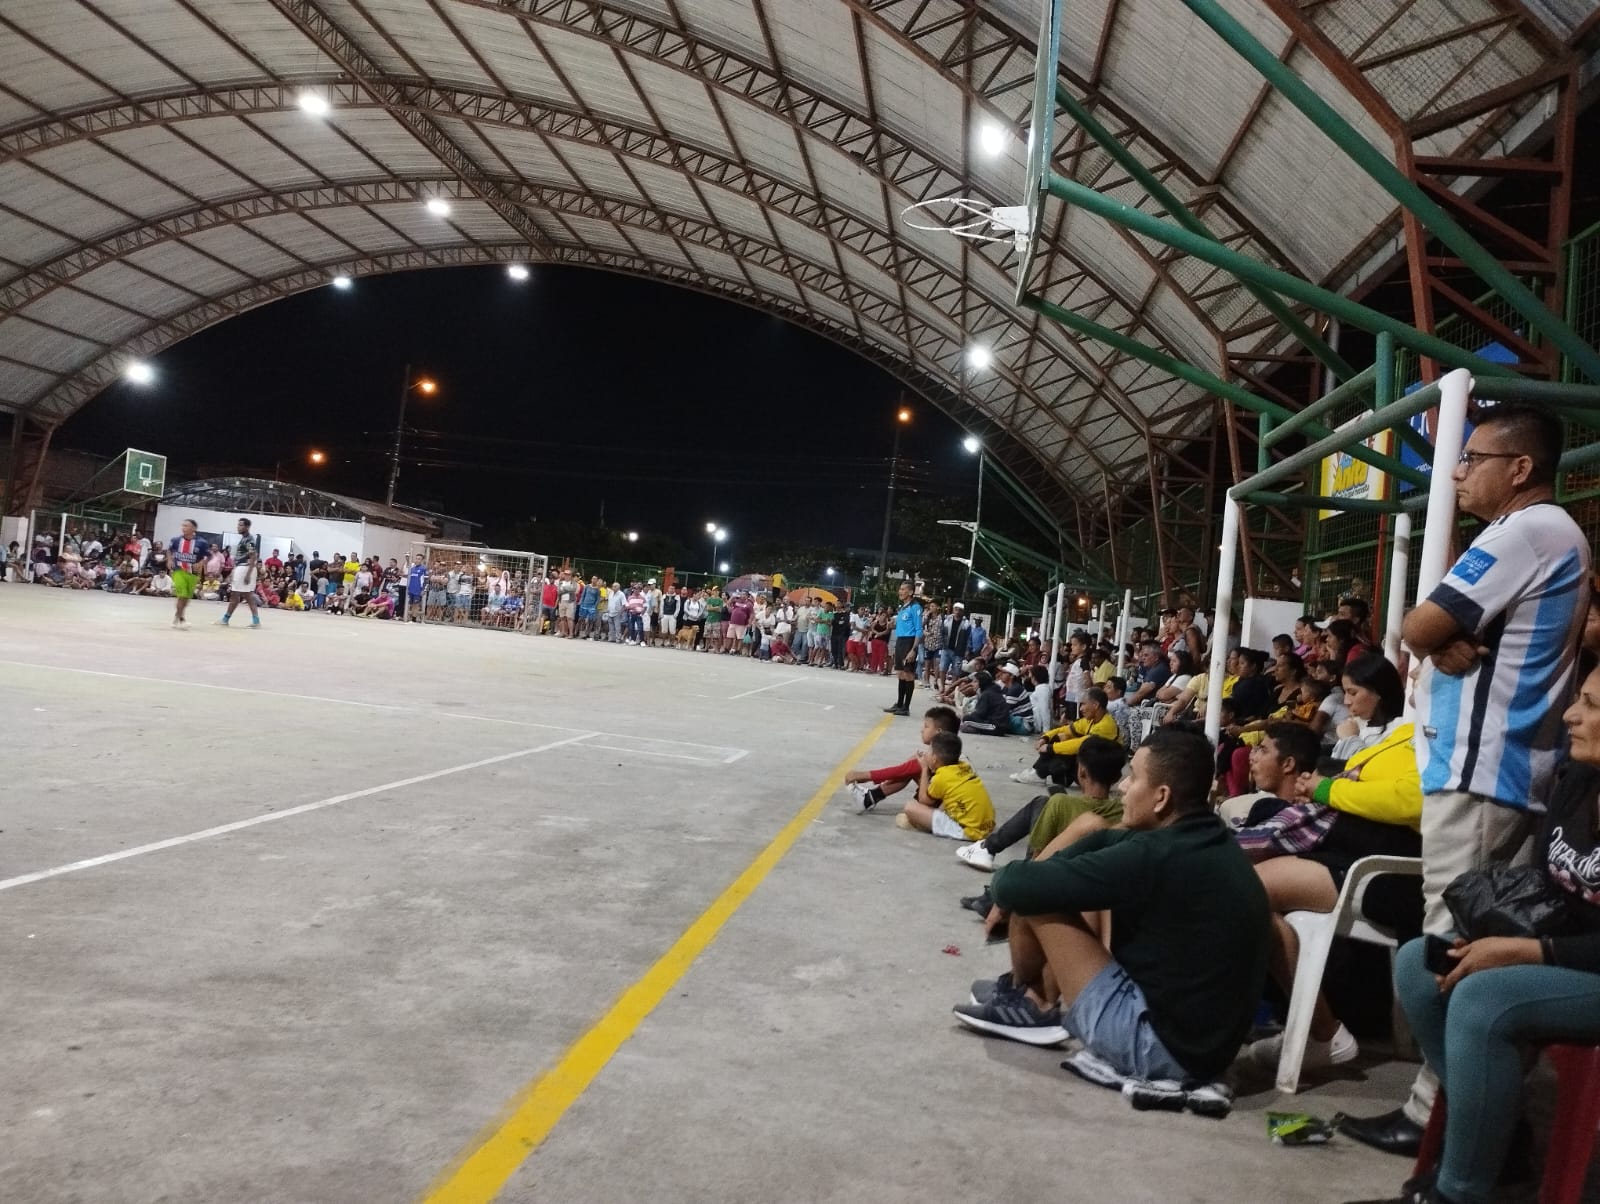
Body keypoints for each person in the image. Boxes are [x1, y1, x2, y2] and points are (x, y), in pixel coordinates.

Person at [1342, 404, 1591, 1158]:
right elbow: (1423, 633)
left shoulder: (1529, 530)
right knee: (1455, 947)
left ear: (1520, 468)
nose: (1457, 473)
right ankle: (1463, 1116)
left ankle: (1450, 1121)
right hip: (1483, 770)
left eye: (1473, 458)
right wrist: (1438, 636)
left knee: (1451, 952)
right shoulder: (1526, 533)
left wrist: (1435, 635)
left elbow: (1417, 628)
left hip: (1487, 773)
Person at [1356, 665, 1600, 1204]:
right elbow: (1551, 890)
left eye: (1592, 705)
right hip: (1564, 954)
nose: (1570, 714)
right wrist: (1493, 937)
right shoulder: (1580, 781)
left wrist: (1529, 951)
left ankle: (1459, 1192)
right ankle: (1502, 1135)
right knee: (1421, 965)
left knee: (1484, 999)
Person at [952, 730, 1270, 1086]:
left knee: (1037, 897)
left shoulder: (1154, 857)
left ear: (1162, 797)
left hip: (1158, 1048)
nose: (1122, 786)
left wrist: (1009, 892)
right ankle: (1028, 992)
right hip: (1204, 1048)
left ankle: (1033, 1003)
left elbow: (1014, 884)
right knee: (1059, 883)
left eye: (1133, 777)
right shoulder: (1208, 839)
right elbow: (1105, 837)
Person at [1234, 667, 1422, 1077]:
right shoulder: (1406, 735)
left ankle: (1311, 1030)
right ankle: (1314, 1028)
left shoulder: (1432, 741)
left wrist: (1326, 789)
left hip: (1381, 867)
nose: (1417, 672)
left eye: (1353, 691)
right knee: (1235, 884)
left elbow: (1410, 801)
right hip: (1347, 848)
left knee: (1238, 889)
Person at [957, 734, 1125, 874]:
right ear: (1117, 778)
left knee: (1042, 802)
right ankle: (987, 848)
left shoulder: (1061, 803)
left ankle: (988, 848)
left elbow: (1037, 855)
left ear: (1081, 772)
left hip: (1052, 876)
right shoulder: (1123, 811)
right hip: (1096, 877)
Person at [845, 705, 961, 812]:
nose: (922, 730)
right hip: (946, 798)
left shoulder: (937, 756)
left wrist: (864, 776)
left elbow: (897, 771)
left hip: (946, 808)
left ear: (939, 732)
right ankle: (870, 798)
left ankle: (869, 798)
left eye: (926, 726)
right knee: (914, 764)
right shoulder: (951, 750)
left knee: (915, 765)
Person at [894, 730, 995, 841]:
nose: (926, 754)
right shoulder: (964, 766)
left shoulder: (941, 777)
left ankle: (925, 825)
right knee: (949, 797)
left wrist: (924, 768)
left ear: (934, 759)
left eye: (929, 750)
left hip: (969, 831)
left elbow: (923, 800)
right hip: (987, 826)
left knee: (910, 807)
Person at [1012, 687, 1119, 786]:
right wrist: (1045, 738)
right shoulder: (1091, 720)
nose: (1081, 708)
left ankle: (1039, 774)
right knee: (1061, 737)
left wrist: (1051, 748)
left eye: (1083, 704)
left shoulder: (1106, 725)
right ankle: (1047, 774)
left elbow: (1081, 744)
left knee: (1068, 748)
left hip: (1103, 774)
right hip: (1091, 766)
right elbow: (1065, 729)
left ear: (1095, 705)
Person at [882, 581, 923, 715]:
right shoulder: (902, 607)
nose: (900, 591)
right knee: (900, 673)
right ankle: (899, 704)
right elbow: (903, 625)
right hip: (900, 641)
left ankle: (906, 707)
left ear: (910, 592)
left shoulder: (915, 607)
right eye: (900, 589)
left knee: (908, 674)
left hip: (909, 642)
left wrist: (913, 649)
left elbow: (918, 629)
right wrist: (892, 626)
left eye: (903, 589)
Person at [217, 518, 261, 628]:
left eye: (241, 525)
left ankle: (225, 619)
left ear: (247, 527)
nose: (238, 527)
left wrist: (248, 574)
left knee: (236, 595)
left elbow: (253, 556)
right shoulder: (244, 539)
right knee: (247, 595)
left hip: (245, 568)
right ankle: (256, 620)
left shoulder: (249, 540)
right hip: (242, 568)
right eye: (238, 525)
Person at [166, 519, 209, 629]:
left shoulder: (202, 542)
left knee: (186, 598)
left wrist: (200, 563)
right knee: (182, 595)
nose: (183, 528)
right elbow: (169, 550)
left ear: (194, 528)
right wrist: (169, 560)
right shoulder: (176, 540)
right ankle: (182, 619)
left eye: (186, 526)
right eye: (183, 525)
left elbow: (207, 556)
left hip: (192, 573)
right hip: (179, 570)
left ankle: (176, 617)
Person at [958, 670, 1011, 736]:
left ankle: (976, 729)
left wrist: (965, 716)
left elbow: (979, 714)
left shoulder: (987, 694)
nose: (972, 684)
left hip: (996, 726)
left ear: (982, 682)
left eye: (975, 681)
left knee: (966, 720)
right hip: (997, 725)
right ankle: (975, 729)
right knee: (967, 720)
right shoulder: (991, 691)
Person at [406, 554, 427, 623]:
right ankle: (411, 617)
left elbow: (426, 580)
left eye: (419, 559)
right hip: (411, 588)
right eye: (416, 558)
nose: (417, 560)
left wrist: (424, 589)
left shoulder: (423, 569)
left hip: (418, 589)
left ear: (422, 560)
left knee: (416, 604)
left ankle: (414, 619)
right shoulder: (412, 568)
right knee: (411, 604)